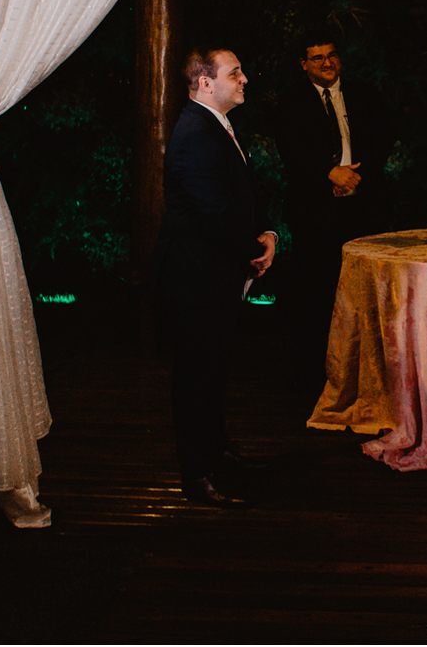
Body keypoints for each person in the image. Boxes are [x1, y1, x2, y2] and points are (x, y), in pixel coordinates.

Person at [153, 46, 278, 507]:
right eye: (235, 73)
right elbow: (212, 215)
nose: (244, 79)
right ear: (206, 83)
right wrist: (255, 251)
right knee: (195, 379)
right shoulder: (194, 133)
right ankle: (197, 474)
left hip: (212, 275)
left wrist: (265, 231)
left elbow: (239, 196)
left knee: (213, 373)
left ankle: (218, 454)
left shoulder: (214, 125)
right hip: (194, 279)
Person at [275, 30, 397, 390]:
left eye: (331, 55)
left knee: (364, 293)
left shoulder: (364, 95)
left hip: (363, 208)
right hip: (315, 210)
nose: (327, 63)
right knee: (316, 294)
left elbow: (383, 137)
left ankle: (365, 373)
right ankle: (314, 376)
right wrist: (328, 173)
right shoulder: (291, 102)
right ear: (303, 64)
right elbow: (290, 149)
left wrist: (357, 176)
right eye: (317, 58)